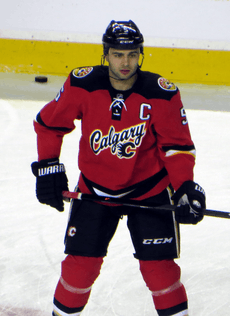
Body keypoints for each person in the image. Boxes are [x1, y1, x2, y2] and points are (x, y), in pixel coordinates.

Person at [31, 20, 206, 316]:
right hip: (95, 190)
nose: (125, 62)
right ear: (106, 54)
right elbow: (49, 124)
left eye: (132, 54)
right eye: (117, 54)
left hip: (148, 191)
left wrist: (185, 187)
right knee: (79, 268)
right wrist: (48, 165)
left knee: (160, 270)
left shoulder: (161, 92)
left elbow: (176, 147)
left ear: (140, 54)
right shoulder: (82, 84)